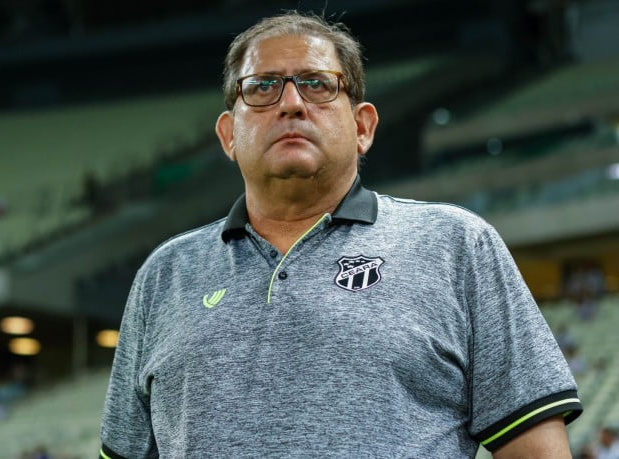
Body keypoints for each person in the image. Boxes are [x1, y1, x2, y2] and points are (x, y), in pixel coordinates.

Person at [99, 11, 582, 458]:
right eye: (262, 87)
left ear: (362, 127)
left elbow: (537, 450)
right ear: (228, 135)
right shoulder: (164, 275)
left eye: (316, 84)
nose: (290, 103)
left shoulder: (456, 245)